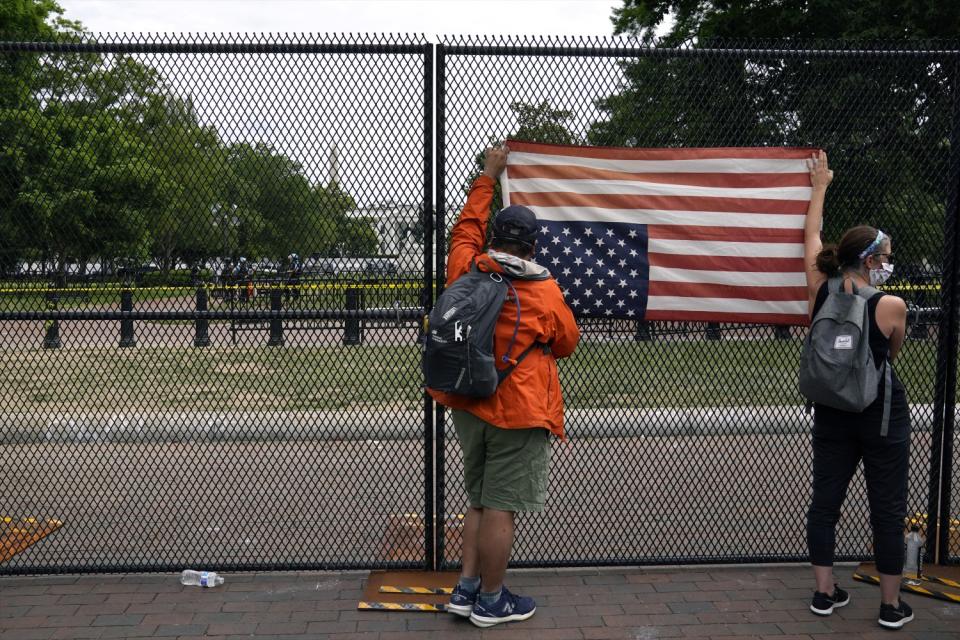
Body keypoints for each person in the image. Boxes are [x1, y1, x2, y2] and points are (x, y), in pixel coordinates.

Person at [429, 146, 580, 628]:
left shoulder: (468, 268)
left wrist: (487, 177)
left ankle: (466, 588)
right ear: (533, 247)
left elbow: (463, 230)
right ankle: (492, 601)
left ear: (493, 238)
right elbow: (566, 343)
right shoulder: (544, 290)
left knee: (478, 499)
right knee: (502, 507)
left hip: (468, 402)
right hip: (518, 410)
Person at [803, 151, 913, 630]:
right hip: (880, 412)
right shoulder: (891, 305)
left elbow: (810, 238)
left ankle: (824, 594)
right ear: (869, 260)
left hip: (830, 408)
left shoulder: (821, 289)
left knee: (825, 499)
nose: (888, 265)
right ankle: (891, 606)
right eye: (885, 258)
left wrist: (820, 185)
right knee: (886, 505)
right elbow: (893, 354)